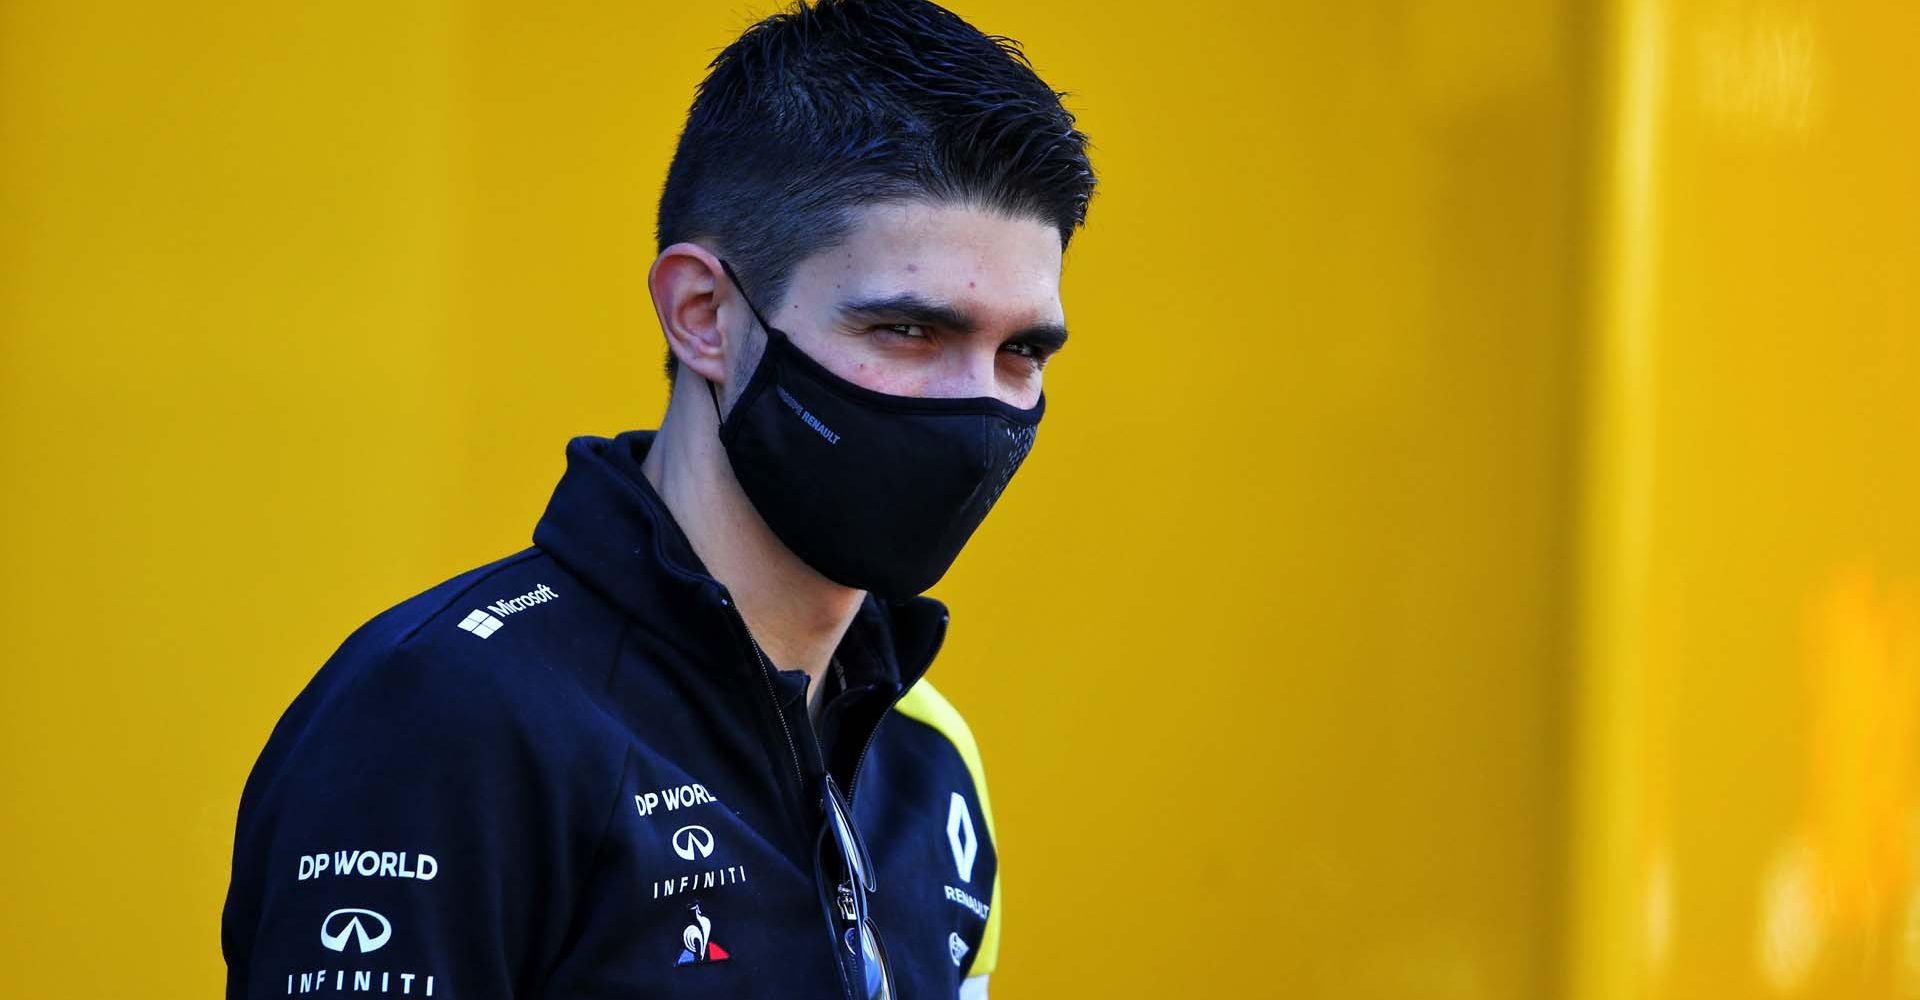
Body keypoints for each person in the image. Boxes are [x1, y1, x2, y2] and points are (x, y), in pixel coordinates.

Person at [220, 0, 1095, 997]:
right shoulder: (443, 722)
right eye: (907, 331)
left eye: (1022, 351)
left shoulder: (928, 752)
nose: (975, 405)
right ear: (704, 316)